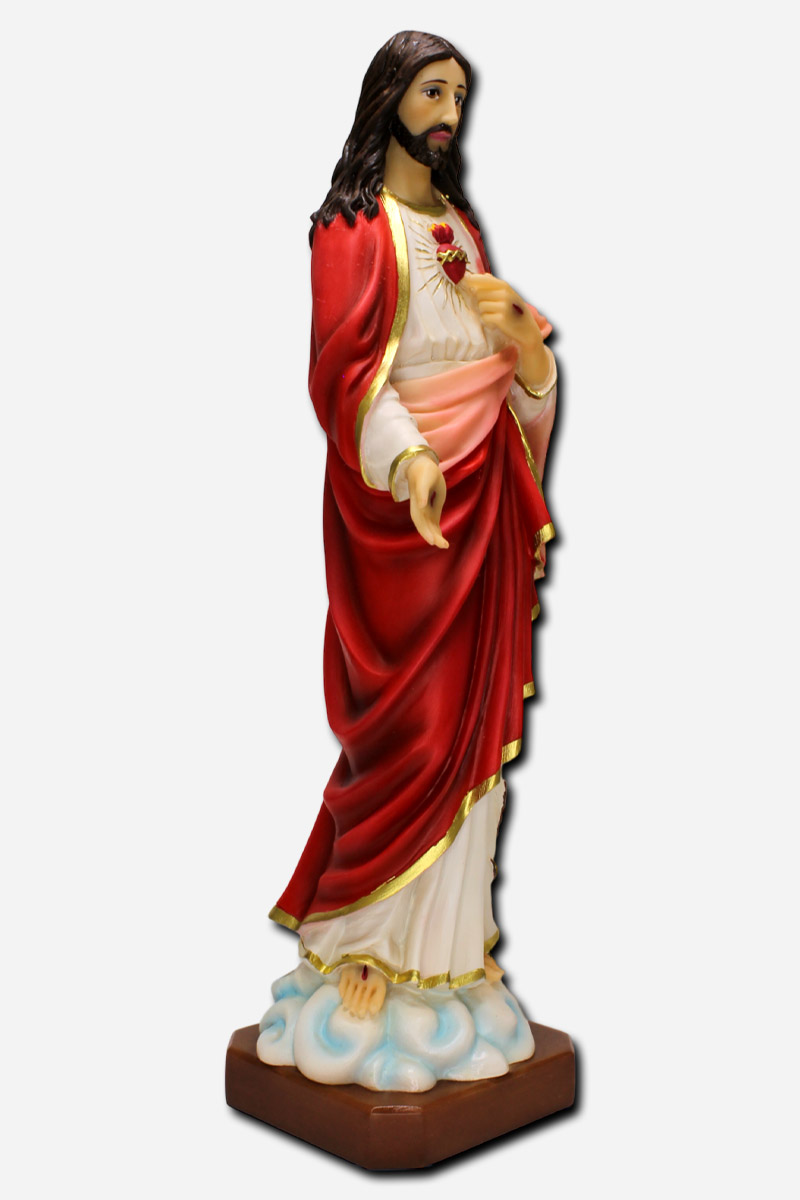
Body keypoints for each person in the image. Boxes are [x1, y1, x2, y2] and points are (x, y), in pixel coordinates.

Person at [258, 31, 557, 1084]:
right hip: (400, 520)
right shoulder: (351, 229)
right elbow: (344, 381)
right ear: (388, 97)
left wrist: (528, 353)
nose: (448, 114)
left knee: (474, 738)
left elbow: (515, 388)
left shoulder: (458, 230)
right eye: (433, 92)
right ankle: (361, 946)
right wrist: (412, 459)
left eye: (458, 96)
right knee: (410, 731)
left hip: (482, 514)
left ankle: (447, 961)